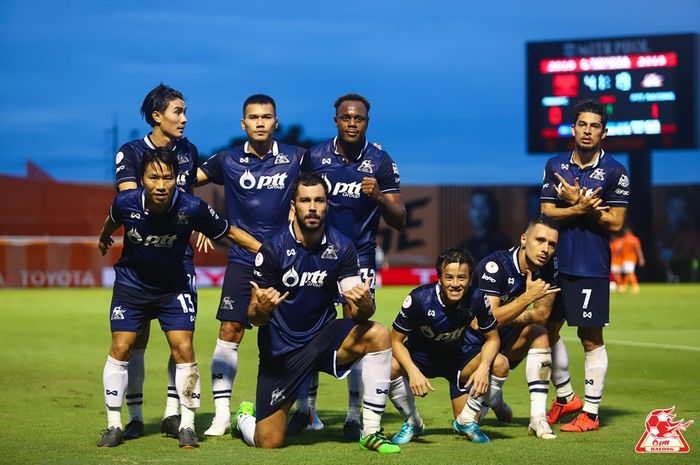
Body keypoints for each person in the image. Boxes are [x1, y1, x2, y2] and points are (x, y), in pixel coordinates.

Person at [96, 148, 260, 448]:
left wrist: (267, 253)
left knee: (183, 348)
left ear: (177, 178)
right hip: (131, 286)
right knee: (121, 347)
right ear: (142, 179)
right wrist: (105, 236)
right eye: (153, 177)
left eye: (168, 177)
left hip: (174, 288)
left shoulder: (192, 207)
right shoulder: (125, 202)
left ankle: (186, 424)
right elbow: (110, 221)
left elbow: (231, 233)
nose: (161, 185)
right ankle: (114, 424)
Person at [232, 173, 400, 454]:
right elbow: (255, 317)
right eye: (305, 200)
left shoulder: (343, 247)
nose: (312, 207)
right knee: (269, 441)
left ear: (327, 205)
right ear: (293, 206)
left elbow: (357, 312)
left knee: (378, 333)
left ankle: (370, 431)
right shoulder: (272, 249)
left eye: (319, 200)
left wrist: (366, 303)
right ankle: (243, 419)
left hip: (323, 339)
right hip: (282, 351)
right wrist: (261, 309)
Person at [292, 93, 406, 438]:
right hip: (315, 256)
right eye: (346, 118)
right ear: (336, 121)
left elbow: (400, 218)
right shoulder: (315, 156)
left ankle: (354, 415)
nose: (352, 123)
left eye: (359, 119)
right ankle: (306, 411)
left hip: (359, 257)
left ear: (367, 122)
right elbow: (297, 203)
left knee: (357, 330)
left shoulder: (381, 161)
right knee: (308, 327)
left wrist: (380, 197)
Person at [196, 95, 307, 436]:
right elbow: (181, 184)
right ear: (243, 124)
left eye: (267, 117)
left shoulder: (296, 158)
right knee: (230, 332)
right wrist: (201, 221)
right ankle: (221, 414)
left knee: (301, 337)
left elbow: (318, 191)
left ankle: (308, 411)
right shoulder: (226, 161)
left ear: (276, 123)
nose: (260, 122)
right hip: (243, 260)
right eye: (253, 117)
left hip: (288, 260)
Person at [113, 83, 200, 439]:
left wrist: (201, 222)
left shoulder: (188, 151)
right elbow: (129, 199)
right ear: (157, 116)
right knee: (136, 340)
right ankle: (134, 417)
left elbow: (188, 200)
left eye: (184, 111)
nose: (184, 118)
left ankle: (172, 412)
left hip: (179, 260)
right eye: (178, 111)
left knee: (181, 340)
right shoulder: (131, 152)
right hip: (141, 259)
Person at [540, 99, 629, 432]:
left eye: (594, 126)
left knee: (590, 337)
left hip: (590, 263)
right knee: (544, 329)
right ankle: (566, 397)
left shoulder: (616, 171)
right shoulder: (555, 165)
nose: (588, 131)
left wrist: (581, 205)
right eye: (582, 124)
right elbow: (547, 211)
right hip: (553, 262)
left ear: (603, 133)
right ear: (573, 128)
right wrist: (582, 207)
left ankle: (590, 414)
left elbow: (617, 222)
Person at [387, 248, 506, 444]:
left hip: (458, 359)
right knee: (389, 366)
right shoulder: (420, 299)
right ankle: (413, 422)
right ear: (439, 278)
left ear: (470, 278)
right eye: (449, 277)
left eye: (462, 278)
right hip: (421, 359)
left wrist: (484, 367)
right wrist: (412, 371)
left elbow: (493, 339)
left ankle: (466, 421)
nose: (455, 284)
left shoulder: (477, 297)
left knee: (500, 363)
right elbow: (395, 340)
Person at [466, 216, 561, 440]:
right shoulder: (495, 265)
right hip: (474, 347)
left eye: (552, 244)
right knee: (465, 420)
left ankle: (538, 418)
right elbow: (487, 321)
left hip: (506, 341)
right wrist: (527, 298)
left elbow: (542, 315)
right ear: (524, 239)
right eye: (540, 240)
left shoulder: (549, 267)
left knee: (539, 332)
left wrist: (506, 316)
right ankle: (495, 398)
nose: (546, 249)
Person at [457, 189, 511, 264]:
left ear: (492, 209)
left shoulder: (503, 245)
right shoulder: (464, 247)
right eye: (474, 206)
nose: (478, 212)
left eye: (483, 206)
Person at [619, 227, 645, 293]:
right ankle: (624, 286)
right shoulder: (635, 239)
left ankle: (635, 286)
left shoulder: (624, 239)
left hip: (626, 258)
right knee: (628, 272)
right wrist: (641, 258)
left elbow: (619, 250)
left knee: (630, 272)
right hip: (633, 259)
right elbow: (638, 250)